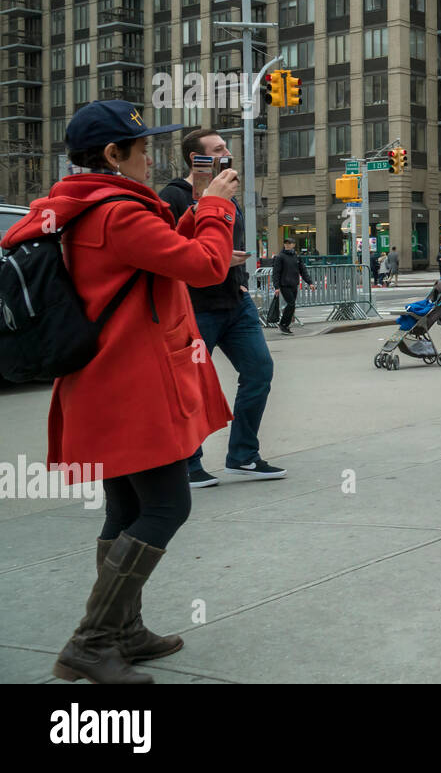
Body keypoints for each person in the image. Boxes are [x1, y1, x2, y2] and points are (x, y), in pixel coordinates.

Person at [1, 100, 239, 683]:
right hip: (131, 381)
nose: (150, 155)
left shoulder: (85, 207)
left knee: (126, 506)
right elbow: (206, 266)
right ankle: (93, 640)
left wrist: (194, 211)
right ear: (112, 154)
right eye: (140, 147)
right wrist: (215, 206)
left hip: (102, 379)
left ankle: (123, 630)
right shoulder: (117, 213)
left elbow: (150, 261)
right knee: (167, 504)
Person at [159, 129, 284, 487]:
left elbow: (228, 239)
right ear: (195, 159)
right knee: (191, 384)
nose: (226, 153)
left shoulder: (229, 195)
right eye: (217, 149)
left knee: (259, 371)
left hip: (234, 300)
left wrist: (237, 271)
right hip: (195, 306)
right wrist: (214, 260)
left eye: (226, 147)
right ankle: (188, 462)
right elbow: (170, 248)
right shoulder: (173, 196)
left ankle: (243, 455)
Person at [271, 237, 312, 335]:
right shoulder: (280, 257)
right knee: (291, 304)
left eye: (290, 243)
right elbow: (276, 273)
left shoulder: (296, 257)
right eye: (286, 243)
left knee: (292, 305)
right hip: (284, 284)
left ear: (293, 245)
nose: (287, 245)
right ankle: (283, 324)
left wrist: (310, 282)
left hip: (294, 284)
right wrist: (276, 287)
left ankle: (285, 324)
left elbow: (303, 271)